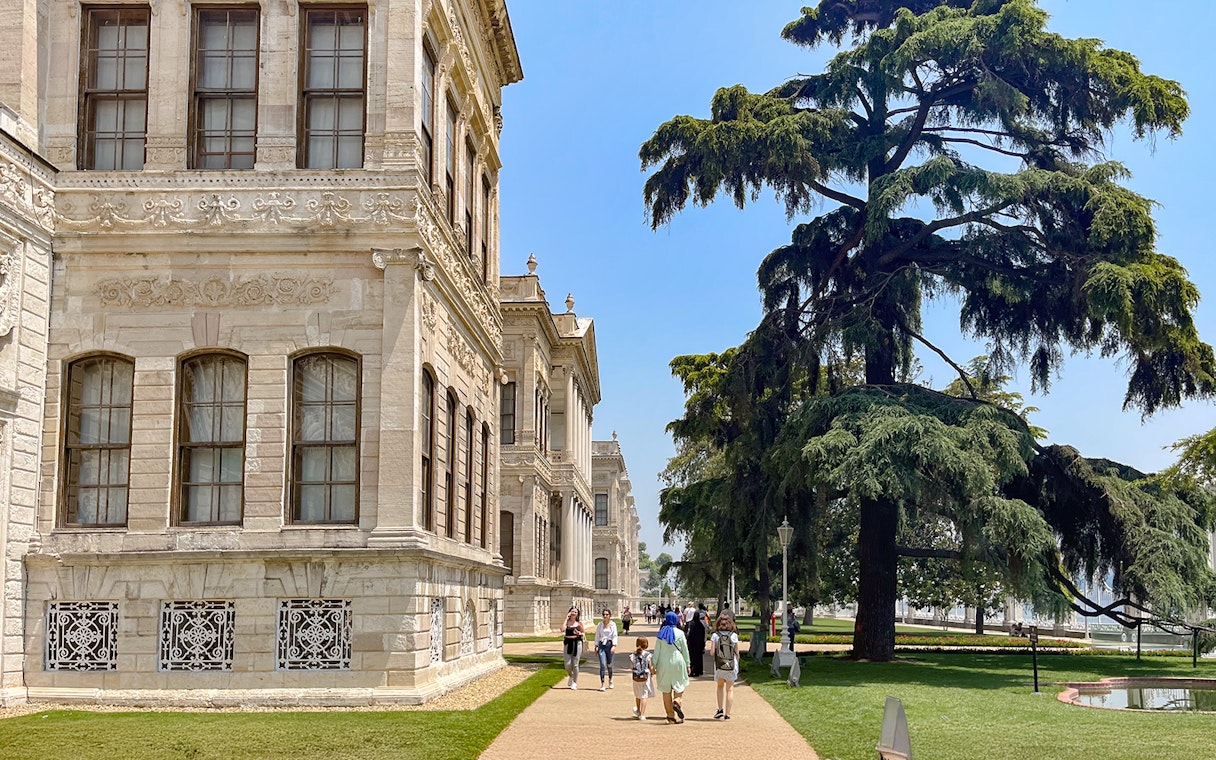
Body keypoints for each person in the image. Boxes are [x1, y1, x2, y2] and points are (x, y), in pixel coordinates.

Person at [654, 611, 690, 723]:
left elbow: (656, 652)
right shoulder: (680, 633)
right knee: (679, 686)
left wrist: (653, 665)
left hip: (664, 663)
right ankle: (677, 701)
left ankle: (670, 716)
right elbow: (685, 650)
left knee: (666, 690)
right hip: (678, 662)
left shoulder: (661, 634)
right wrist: (688, 664)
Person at [710, 612, 740, 720]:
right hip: (731, 664)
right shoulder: (734, 636)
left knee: (720, 687)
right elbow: (737, 653)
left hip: (720, 665)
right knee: (730, 689)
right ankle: (728, 713)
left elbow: (712, 652)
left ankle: (720, 710)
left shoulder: (715, 636)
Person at [629, 636, 655, 720]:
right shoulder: (648, 655)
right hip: (645, 677)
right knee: (644, 695)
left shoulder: (633, 655)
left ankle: (638, 711)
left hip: (636, 678)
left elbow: (631, 667)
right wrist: (653, 672)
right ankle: (642, 714)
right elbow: (650, 667)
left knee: (638, 695)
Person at [593, 608, 618, 691]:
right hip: (601, 645)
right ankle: (602, 683)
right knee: (602, 665)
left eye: (607, 614)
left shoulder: (613, 625)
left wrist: (614, 645)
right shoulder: (600, 625)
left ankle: (610, 679)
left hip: (609, 645)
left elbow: (615, 635)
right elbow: (597, 635)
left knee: (609, 665)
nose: (605, 616)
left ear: (610, 616)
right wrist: (596, 645)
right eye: (604, 614)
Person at [562, 606, 585, 689]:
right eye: (572, 611)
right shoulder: (567, 622)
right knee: (567, 664)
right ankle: (571, 676)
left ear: (577, 614)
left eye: (575, 612)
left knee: (575, 664)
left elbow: (583, 633)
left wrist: (579, 633)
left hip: (577, 643)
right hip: (567, 643)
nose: (573, 613)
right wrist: (566, 618)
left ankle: (575, 682)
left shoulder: (579, 623)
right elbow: (562, 629)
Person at [686, 602, 708, 677]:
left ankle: (693, 671)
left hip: (692, 644)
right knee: (699, 658)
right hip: (699, 644)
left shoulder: (691, 624)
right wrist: (703, 643)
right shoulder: (701, 625)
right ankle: (699, 670)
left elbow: (689, 634)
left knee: (692, 658)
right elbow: (703, 636)